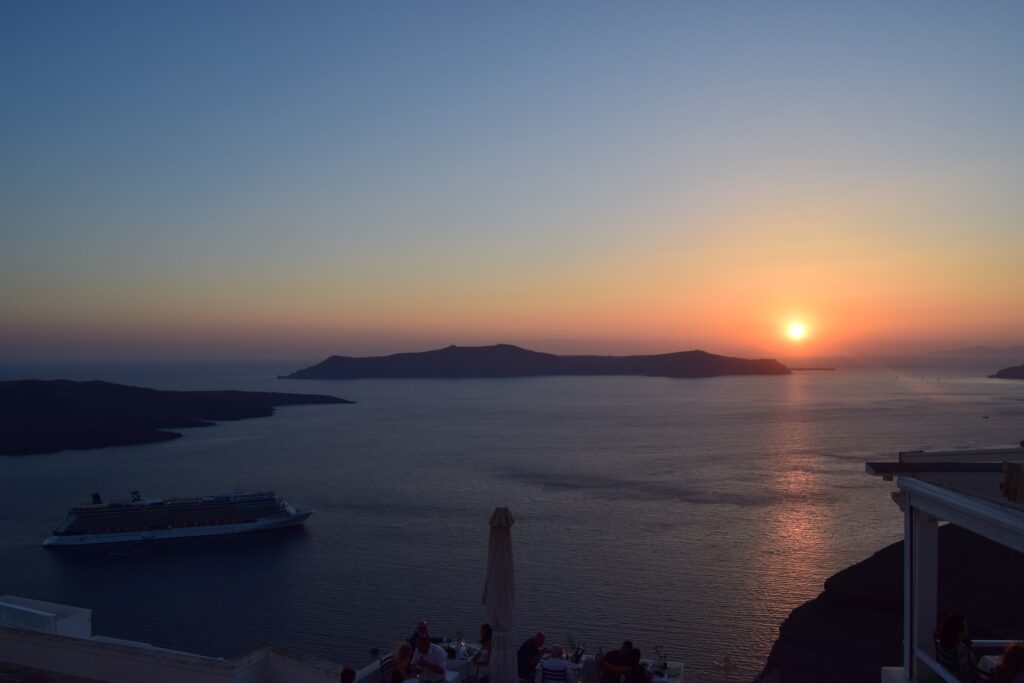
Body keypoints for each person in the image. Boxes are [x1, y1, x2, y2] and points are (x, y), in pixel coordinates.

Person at [938, 613, 977, 681]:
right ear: (959, 633)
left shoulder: (942, 647)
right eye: (965, 628)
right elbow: (970, 676)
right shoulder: (962, 654)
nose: (967, 630)